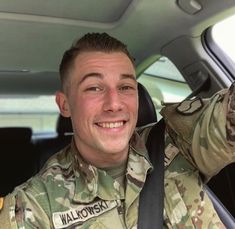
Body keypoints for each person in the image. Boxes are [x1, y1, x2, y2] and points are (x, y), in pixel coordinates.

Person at [0, 32, 234, 228]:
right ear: (65, 105)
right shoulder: (33, 205)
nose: (114, 103)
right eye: (94, 88)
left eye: (125, 87)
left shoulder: (178, 140)